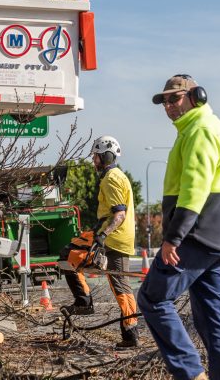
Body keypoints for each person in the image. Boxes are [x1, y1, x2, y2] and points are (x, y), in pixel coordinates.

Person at [138, 74, 220, 380]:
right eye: (165, 101)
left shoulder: (200, 129)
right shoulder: (197, 130)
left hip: (197, 235)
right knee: (211, 317)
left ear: (197, 96)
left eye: (174, 98)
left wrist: (173, 238)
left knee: (152, 298)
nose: (168, 105)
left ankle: (191, 373)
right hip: (216, 238)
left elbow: (195, 189)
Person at [59, 135, 139, 348]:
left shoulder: (111, 178)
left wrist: (102, 237)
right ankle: (85, 302)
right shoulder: (114, 176)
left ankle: (129, 333)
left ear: (106, 156)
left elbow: (119, 214)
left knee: (119, 284)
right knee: (70, 255)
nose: (93, 160)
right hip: (112, 235)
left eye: (96, 156)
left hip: (114, 238)